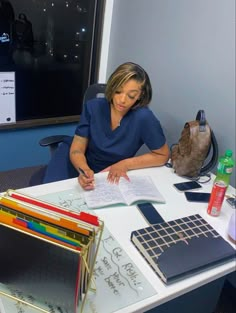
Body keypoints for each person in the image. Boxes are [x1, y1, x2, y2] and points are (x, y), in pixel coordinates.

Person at [43, 62, 169, 189]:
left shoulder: (144, 118)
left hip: (110, 169)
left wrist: (125, 164)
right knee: (50, 194)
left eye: (131, 95)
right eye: (118, 91)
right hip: (77, 160)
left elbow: (162, 155)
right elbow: (77, 149)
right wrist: (84, 170)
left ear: (140, 95)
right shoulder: (93, 107)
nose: (122, 100)